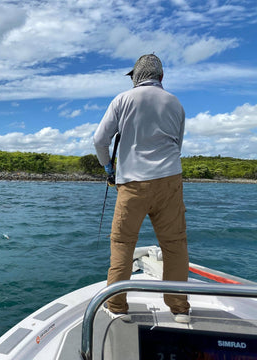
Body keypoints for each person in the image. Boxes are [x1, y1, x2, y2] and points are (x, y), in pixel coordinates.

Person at [93, 54, 191, 323]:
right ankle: (179, 308)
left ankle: (117, 305)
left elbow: (99, 140)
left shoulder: (122, 100)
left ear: (136, 76)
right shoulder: (175, 103)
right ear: (161, 77)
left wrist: (109, 170)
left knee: (123, 243)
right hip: (170, 180)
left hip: (132, 184)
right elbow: (177, 145)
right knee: (174, 245)